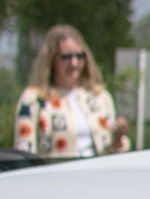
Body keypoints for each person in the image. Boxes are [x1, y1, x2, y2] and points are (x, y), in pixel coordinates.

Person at [13, 26, 129, 158]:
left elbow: (109, 152)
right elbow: (23, 151)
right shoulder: (33, 98)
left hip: (93, 176)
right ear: (51, 59)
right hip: (53, 177)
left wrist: (117, 141)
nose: (74, 63)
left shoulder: (100, 97)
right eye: (66, 57)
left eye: (80, 56)